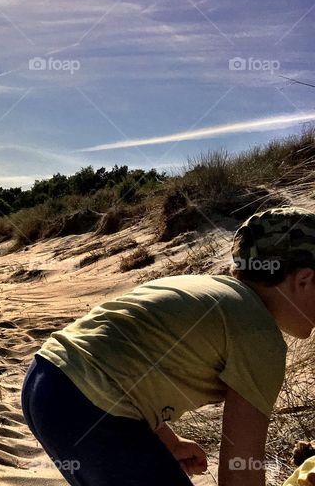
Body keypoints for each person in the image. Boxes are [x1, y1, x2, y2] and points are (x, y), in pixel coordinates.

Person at [20, 206, 315, 485]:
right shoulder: (260, 335)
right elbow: (241, 465)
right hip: (89, 407)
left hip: (45, 383)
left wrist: (168, 441)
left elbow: (124, 357)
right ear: (305, 279)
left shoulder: (208, 290)